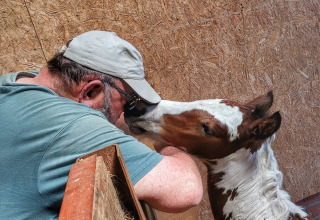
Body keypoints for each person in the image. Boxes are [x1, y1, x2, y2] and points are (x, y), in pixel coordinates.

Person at [0, 30, 203, 219]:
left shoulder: (16, 82)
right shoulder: (71, 127)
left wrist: (115, 113)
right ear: (90, 91)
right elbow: (186, 190)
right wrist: (167, 142)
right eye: (126, 102)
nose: (122, 114)